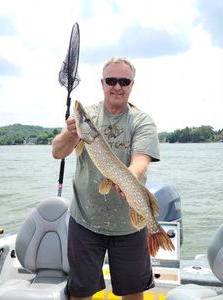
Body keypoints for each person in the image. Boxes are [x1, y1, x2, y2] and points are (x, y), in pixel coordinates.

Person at [52, 57, 160, 300]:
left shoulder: (142, 121)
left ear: (132, 84)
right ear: (102, 83)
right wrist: (72, 134)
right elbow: (57, 152)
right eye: (111, 80)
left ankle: (155, 230)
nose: (117, 86)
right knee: (80, 292)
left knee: (133, 292)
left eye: (124, 81)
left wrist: (127, 179)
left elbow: (140, 161)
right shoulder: (87, 117)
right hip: (85, 221)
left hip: (130, 225)